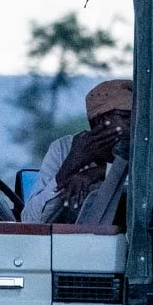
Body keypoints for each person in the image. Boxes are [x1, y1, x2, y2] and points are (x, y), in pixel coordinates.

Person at [22, 79, 133, 224]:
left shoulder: (142, 147)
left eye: (137, 117)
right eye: (125, 117)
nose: (134, 123)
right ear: (100, 121)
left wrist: (97, 173)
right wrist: (69, 167)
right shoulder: (63, 149)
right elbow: (31, 221)